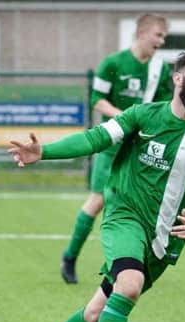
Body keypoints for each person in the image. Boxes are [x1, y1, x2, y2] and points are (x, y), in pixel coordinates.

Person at [9, 51, 185, 322]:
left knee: (97, 314)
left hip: (162, 241)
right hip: (124, 218)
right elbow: (96, 139)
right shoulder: (143, 115)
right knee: (129, 286)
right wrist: (43, 151)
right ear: (178, 79)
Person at [61, 13, 173, 284]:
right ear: (142, 33)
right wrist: (126, 119)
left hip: (140, 149)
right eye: (158, 35)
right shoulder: (113, 63)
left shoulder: (162, 71)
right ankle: (70, 257)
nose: (161, 42)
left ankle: (128, 264)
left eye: (163, 37)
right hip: (112, 146)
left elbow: (164, 108)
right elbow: (96, 100)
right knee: (98, 201)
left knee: (139, 204)